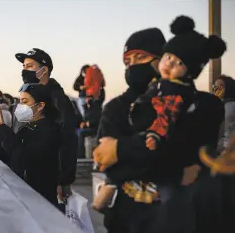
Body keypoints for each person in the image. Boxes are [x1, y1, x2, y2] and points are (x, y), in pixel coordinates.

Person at [94, 16, 224, 233]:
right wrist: (174, 169)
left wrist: (120, 149)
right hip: (127, 220)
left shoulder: (204, 104)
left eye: (140, 57)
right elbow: (109, 165)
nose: (133, 65)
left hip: (180, 218)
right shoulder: (115, 107)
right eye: (128, 61)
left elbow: (195, 155)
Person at [129, 16, 227, 151]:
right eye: (168, 57)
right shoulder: (160, 84)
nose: (169, 63)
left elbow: (166, 117)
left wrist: (154, 135)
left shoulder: (176, 92)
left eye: (179, 63)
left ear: (190, 73)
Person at [15, 48, 78, 201]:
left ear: (44, 70)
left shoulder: (58, 99)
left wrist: (64, 180)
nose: (24, 70)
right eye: (23, 66)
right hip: (30, 173)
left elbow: (68, 140)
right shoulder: (28, 96)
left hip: (49, 178)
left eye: (29, 66)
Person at [0, 83, 60, 207]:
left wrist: (5, 133)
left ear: (40, 106)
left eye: (25, 102)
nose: (20, 106)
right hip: (25, 195)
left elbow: (24, 158)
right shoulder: (26, 129)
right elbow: (9, 158)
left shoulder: (48, 130)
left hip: (41, 199)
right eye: (20, 101)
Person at [213, 74, 235, 152]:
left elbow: (229, 135)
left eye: (219, 87)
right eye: (214, 87)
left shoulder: (229, 107)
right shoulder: (227, 104)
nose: (215, 90)